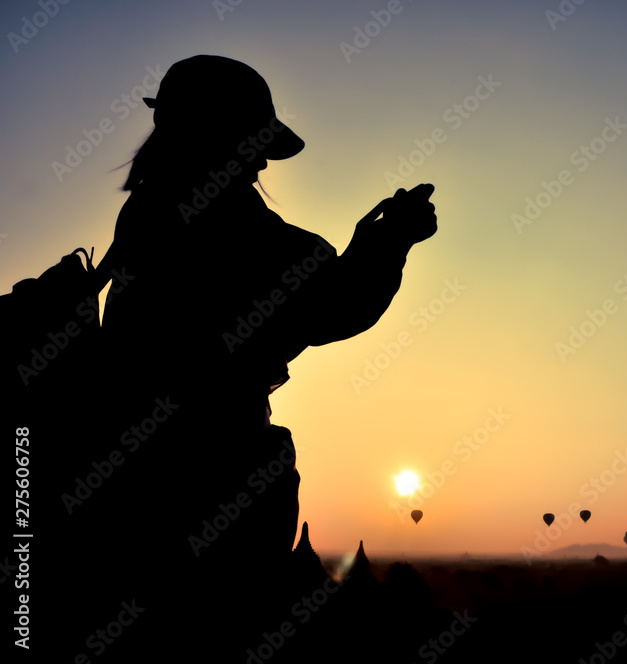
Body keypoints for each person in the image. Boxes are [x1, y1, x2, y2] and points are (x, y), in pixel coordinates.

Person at [86, 55, 436, 662]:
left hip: (135, 481)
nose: (263, 160)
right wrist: (389, 242)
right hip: (212, 471)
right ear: (216, 137)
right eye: (254, 143)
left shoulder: (147, 209)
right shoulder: (220, 218)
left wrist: (366, 247)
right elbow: (327, 302)